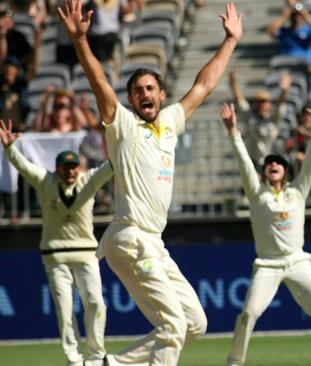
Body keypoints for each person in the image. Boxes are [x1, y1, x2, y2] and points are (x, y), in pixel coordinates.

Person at [58, 0, 242, 364]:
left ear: (161, 94)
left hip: (154, 243)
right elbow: (98, 82)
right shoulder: (123, 126)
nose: (145, 94)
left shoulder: (170, 122)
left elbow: (204, 85)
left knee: (194, 323)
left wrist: (230, 41)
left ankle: (112, 363)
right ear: (130, 99)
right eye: (138, 90)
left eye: (150, 88)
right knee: (173, 325)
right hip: (129, 237)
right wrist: (81, 40)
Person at [220, 100, 311, 366]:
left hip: (297, 261)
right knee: (248, 313)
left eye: (278, 163)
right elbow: (245, 163)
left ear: (286, 171)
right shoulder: (257, 194)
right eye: (269, 163)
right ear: (265, 172)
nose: (273, 165)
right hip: (267, 264)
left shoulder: (297, 192)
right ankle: (234, 361)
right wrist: (233, 132)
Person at [0, 118, 113, 366]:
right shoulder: (45, 182)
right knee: (64, 309)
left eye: (74, 167)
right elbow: (25, 166)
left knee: (95, 302)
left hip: (86, 254)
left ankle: (95, 356)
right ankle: (74, 359)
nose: (71, 171)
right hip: (55, 256)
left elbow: (110, 167)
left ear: (79, 168)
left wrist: (119, 141)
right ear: (57, 168)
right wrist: (9, 149)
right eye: (66, 167)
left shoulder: (88, 180)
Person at [228, 68, 291, 167]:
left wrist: (284, 91)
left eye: (264, 101)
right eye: (259, 102)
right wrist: (233, 84)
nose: (262, 105)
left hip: (271, 160)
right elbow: (241, 101)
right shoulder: (250, 116)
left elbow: (280, 104)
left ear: (269, 104)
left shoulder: (273, 118)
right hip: (253, 160)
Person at [266, 1, 311, 66]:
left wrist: (306, 16)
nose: (297, 18)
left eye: (299, 15)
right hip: (287, 64)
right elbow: (270, 30)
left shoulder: (308, 30)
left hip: (305, 64)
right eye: (294, 15)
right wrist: (284, 16)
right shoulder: (284, 31)